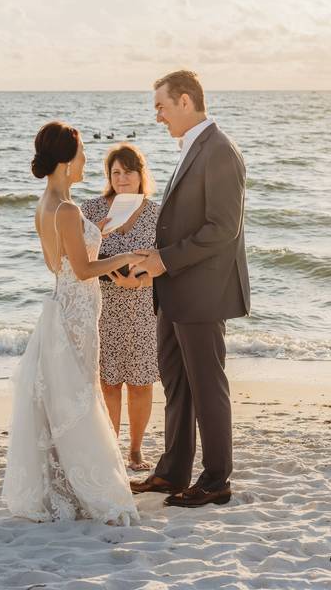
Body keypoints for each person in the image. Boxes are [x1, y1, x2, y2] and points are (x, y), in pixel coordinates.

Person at [2, 121, 143, 525]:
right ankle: (88, 488)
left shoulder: (46, 205)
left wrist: (97, 236)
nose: (85, 162)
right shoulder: (67, 209)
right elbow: (81, 270)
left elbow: (57, 264)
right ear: (66, 161)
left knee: (66, 398)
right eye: (81, 155)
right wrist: (126, 255)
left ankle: (62, 485)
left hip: (61, 307)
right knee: (80, 398)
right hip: (77, 315)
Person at [129, 70, 251, 508]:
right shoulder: (193, 148)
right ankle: (172, 471)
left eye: (161, 106)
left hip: (201, 293)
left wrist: (165, 259)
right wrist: (154, 255)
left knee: (207, 387)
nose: (157, 116)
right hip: (176, 290)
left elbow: (222, 228)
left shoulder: (219, 150)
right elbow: (190, 221)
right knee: (177, 384)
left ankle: (217, 480)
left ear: (185, 101)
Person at [81, 144, 160, 472]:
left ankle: (136, 451)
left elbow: (165, 262)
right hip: (104, 306)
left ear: (141, 175)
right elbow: (77, 257)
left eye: (128, 171)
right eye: (116, 172)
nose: (122, 178)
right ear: (108, 176)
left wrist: (139, 282)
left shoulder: (157, 212)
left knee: (141, 383)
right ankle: (112, 448)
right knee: (109, 382)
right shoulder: (90, 209)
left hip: (142, 306)